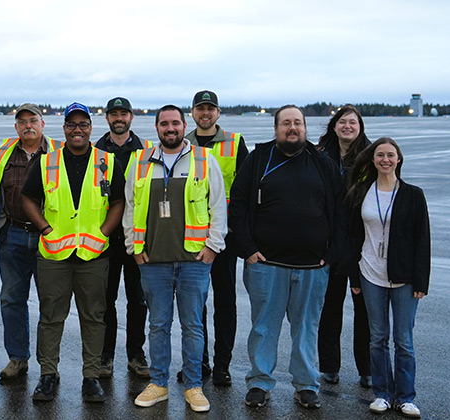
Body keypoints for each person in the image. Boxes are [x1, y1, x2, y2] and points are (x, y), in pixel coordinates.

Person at [229, 105, 346, 409]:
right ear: (276, 128)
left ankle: (306, 384)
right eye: (285, 123)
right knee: (264, 327)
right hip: (266, 264)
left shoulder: (323, 163)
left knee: (306, 328)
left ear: (305, 128)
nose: (292, 128)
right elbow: (238, 204)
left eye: (297, 123)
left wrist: (333, 253)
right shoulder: (259, 159)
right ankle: (259, 382)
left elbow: (341, 210)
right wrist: (246, 248)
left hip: (312, 265)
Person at [125, 105, 227, 412]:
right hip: (153, 260)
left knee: (193, 326)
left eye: (175, 123)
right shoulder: (140, 162)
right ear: (156, 128)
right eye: (164, 124)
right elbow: (130, 207)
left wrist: (212, 248)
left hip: (194, 261)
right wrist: (134, 248)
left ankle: (193, 386)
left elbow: (219, 206)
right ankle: (159, 384)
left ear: (184, 126)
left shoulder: (204, 160)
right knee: (158, 325)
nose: (170, 128)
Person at [21, 102, 124, 403]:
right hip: (54, 255)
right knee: (51, 316)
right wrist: (45, 228)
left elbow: (118, 201)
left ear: (91, 128)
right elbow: (28, 197)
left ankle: (91, 377)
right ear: (64, 128)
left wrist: (103, 232)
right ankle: (48, 375)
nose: (77, 130)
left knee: (94, 316)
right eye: (71, 125)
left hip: (94, 255)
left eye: (83, 124)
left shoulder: (107, 161)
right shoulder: (46, 162)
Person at [342, 137, 430, 418]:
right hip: (370, 273)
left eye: (390, 155)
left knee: (403, 340)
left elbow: (422, 240)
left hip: (403, 278)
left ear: (399, 159)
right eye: (380, 155)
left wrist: (421, 281)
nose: (385, 160)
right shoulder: (361, 193)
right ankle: (382, 393)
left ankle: (405, 397)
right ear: (373, 160)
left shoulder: (413, 194)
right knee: (377, 338)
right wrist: (354, 277)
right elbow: (353, 236)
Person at [0, 103, 63, 380]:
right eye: (22, 122)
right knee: (11, 299)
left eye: (33, 120)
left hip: (49, 236)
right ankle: (17, 358)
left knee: (50, 302)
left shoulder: (59, 153)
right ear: (16, 127)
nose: (28, 125)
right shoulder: (4, 152)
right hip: (13, 235)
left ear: (43, 124)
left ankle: (48, 364)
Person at [184, 89, 249, 386]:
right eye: (200, 109)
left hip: (224, 236)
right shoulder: (182, 144)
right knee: (195, 303)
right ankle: (200, 362)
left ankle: (222, 363)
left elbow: (245, 190)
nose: (205, 113)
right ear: (193, 113)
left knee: (225, 301)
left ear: (218, 113)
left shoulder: (234, 144)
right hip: (191, 237)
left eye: (210, 109)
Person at [316, 104, 373, 388]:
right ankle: (329, 366)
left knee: (364, 309)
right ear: (334, 126)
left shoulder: (371, 156)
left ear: (360, 127)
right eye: (342, 122)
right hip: (330, 242)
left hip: (363, 243)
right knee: (329, 307)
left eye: (353, 122)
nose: (347, 126)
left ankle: (367, 368)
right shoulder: (320, 154)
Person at [93, 96, 150, 378]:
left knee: (138, 301)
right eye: (113, 114)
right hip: (105, 238)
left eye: (123, 113)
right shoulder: (94, 152)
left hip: (138, 238)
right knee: (105, 301)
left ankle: (136, 355)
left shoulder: (147, 152)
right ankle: (105, 356)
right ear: (107, 118)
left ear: (131, 118)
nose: (119, 118)